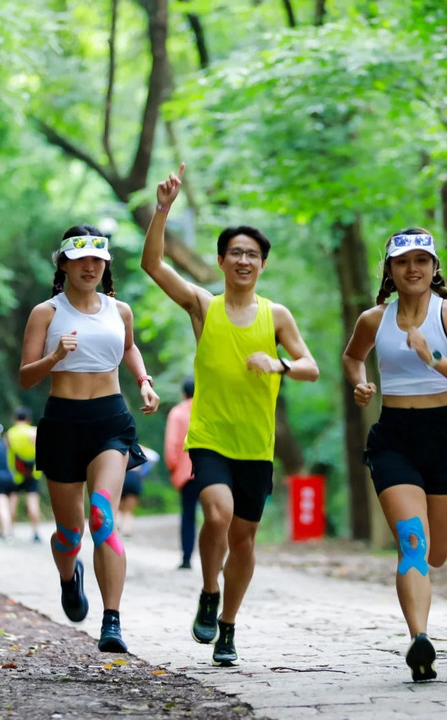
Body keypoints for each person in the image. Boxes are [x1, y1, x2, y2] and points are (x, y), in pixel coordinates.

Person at [141, 164, 319, 667]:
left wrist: (278, 363)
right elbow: (153, 265)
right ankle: (207, 589)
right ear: (221, 261)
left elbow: (311, 367)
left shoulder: (276, 316)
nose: (244, 259)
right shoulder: (203, 305)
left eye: (253, 254)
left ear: (262, 264)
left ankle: (228, 627)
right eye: (236, 252)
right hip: (211, 437)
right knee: (216, 514)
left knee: (243, 539)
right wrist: (163, 209)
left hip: (256, 447)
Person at [341, 228, 447, 682]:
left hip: (444, 436)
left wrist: (433, 358)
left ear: (434, 267)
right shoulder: (373, 319)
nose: (413, 269)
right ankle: (419, 639)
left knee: (438, 553)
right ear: (390, 270)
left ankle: (421, 624)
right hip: (394, 439)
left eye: (421, 260)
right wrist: (360, 382)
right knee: (413, 542)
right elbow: (352, 357)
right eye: (403, 262)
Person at [19, 224, 160, 654]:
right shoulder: (46, 312)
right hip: (62, 421)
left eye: (98, 259)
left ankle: (112, 621)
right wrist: (56, 356)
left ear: (106, 265)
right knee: (69, 533)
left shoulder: (121, 311)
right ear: (64, 263)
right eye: (81, 259)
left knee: (102, 517)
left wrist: (144, 380)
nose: (90, 266)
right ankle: (68, 576)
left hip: (110, 420)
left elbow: (130, 347)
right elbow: (26, 377)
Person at [165, 375, 198, 570]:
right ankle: (218, 559)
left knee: (188, 515)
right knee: (217, 515)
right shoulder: (209, 410)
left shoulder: (177, 413)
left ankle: (186, 559)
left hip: (187, 475)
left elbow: (172, 444)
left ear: (183, 392)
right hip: (212, 471)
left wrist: (173, 467)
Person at [6, 406, 44, 543]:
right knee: (33, 502)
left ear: (15, 418)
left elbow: (8, 452)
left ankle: (9, 531)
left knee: (13, 501)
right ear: (28, 419)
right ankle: (36, 532)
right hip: (33, 473)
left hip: (15, 473)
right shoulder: (34, 431)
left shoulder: (10, 433)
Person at [118, 446, 160, 537]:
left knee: (119, 507)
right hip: (135, 477)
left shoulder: (121, 446)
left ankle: (116, 528)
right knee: (129, 509)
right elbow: (155, 457)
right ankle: (127, 530)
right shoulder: (139, 448)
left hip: (123, 476)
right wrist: (144, 472)